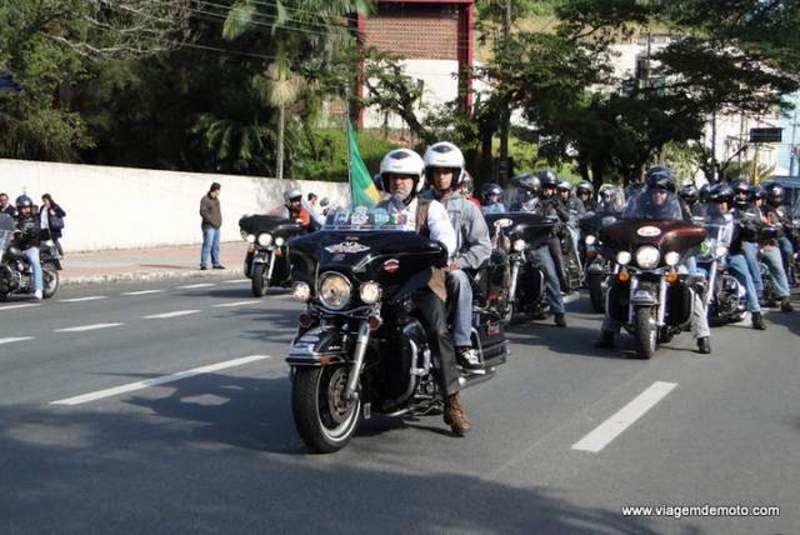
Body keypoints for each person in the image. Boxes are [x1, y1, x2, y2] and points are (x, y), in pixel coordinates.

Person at [375, 148, 469, 436]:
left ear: (416, 181)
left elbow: (446, 237)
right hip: (382, 285)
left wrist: (441, 249)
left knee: (438, 331)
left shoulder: (431, 209)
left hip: (422, 282)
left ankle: (452, 402)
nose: (398, 183)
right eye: (393, 178)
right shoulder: (377, 212)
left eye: (404, 178)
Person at [596, 170, 712, 353]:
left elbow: (690, 226)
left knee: (688, 285)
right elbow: (625, 222)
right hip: (642, 256)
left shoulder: (680, 207)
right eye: (655, 191)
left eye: (662, 191)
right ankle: (608, 331)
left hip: (668, 257)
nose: (658, 195)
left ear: (669, 193)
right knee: (617, 283)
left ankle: (702, 336)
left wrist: (695, 231)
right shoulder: (638, 205)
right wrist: (613, 228)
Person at [421, 141, 492, 373]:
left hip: (452, 268)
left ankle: (462, 345)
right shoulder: (418, 204)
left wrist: (458, 262)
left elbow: (483, 247)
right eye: (437, 172)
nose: (441, 177)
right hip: (419, 268)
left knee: (459, 279)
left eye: (447, 172)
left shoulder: (468, 208)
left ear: (456, 175)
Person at [706, 183, 766, 330]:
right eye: (717, 202)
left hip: (732, 253)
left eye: (723, 202)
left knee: (746, 277)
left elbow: (753, 231)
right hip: (711, 254)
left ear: (729, 201)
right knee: (698, 275)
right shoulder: (709, 216)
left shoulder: (738, 215)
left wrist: (749, 226)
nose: (720, 205)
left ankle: (756, 313)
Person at [515, 172, 568, 327]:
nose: (548, 190)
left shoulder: (552, 203)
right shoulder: (524, 202)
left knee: (551, 273)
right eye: (546, 187)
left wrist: (555, 219)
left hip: (538, 242)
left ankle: (559, 311)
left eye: (551, 188)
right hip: (518, 243)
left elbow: (561, 219)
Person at [763, 184, 797, 288]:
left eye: (778, 197)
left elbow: (789, 221)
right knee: (786, 247)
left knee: (788, 247)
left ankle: (791, 272)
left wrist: (789, 225)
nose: (776, 199)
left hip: (781, 235)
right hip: (769, 236)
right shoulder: (765, 208)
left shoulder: (784, 209)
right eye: (773, 196)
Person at [13, 195, 44, 300]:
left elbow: (36, 228)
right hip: (17, 246)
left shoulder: (34, 218)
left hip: (30, 246)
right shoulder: (15, 219)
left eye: (26, 207)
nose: (24, 210)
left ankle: (38, 289)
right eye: (22, 208)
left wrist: (30, 231)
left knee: (35, 262)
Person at [199, 182, 224, 270]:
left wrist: (219, 222)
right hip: (208, 226)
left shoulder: (216, 200)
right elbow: (202, 212)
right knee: (208, 244)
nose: (220, 192)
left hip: (217, 226)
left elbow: (218, 213)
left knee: (216, 246)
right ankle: (203, 264)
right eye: (219, 190)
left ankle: (216, 263)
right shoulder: (205, 199)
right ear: (215, 190)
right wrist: (212, 221)